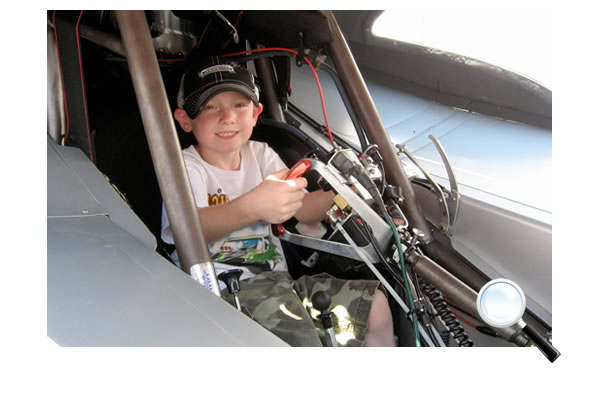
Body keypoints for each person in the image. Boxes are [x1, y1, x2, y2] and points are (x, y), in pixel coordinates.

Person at [161, 56, 394, 347]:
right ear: (185, 119)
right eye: (210, 107)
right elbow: (186, 229)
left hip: (280, 284)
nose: (227, 117)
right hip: (224, 294)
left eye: (239, 105)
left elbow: (305, 211)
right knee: (303, 341)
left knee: (375, 305)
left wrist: (345, 192)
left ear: (256, 113)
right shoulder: (186, 166)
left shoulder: (261, 154)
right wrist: (253, 207)